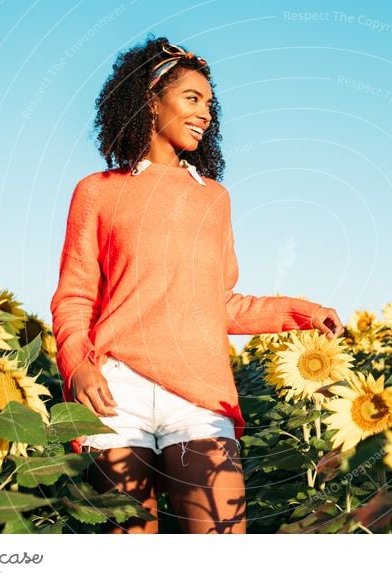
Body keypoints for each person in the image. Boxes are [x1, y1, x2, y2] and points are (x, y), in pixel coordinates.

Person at [50, 35, 344, 534]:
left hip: (201, 394)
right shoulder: (97, 192)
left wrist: (303, 311)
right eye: (192, 98)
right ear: (149, 99)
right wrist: (77, 365)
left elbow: (220, 304)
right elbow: (76, 295)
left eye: (210, 104)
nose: (206, 113)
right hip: (116, 390)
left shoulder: (214, 199)